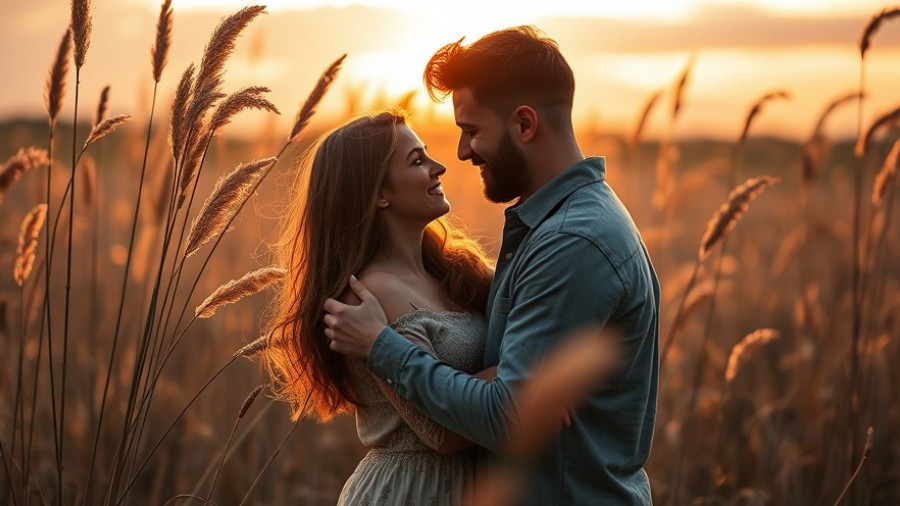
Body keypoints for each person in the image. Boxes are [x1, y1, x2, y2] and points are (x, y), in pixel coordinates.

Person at [323, 25, 660, 505]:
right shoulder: (559, 226)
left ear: (524, 124)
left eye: (472, 130)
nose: (460, 153)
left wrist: (384, 348)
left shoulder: (570, 241)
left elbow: (509, 418)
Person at [263, 110, 497, 505]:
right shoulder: (368, 297)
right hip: (410, 493)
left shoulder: (452, 273)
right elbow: (442, 433)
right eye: (417, 161)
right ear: (378, 193)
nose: (439, 166)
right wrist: (528, 373)